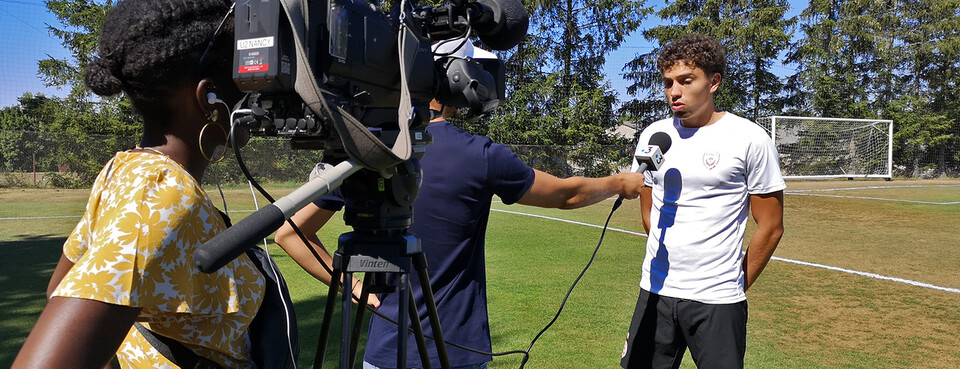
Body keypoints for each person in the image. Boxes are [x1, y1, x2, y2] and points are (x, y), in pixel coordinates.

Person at [274, 40, 647, 369]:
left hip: (384, 352)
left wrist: (355, 290)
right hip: (457, 351)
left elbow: (290, 235)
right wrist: (618, 183)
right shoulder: (480, 156)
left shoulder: (366, 151)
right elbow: (567, 194)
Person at [12, 1, 260, 368]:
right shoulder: (161, 195)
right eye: (245, 83)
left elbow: (59, 289)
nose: (255, 99)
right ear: (209, 99)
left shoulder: (124, 168)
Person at [619, 34, 785, 369]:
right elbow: (648, 211)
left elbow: (771, 225)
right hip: (655, 291)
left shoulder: (749, 138)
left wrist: (735, 282)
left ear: (714, 81)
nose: (674, 91)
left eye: (685, 80)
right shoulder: (654, 135)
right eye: (668, 83)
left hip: (717, 301)